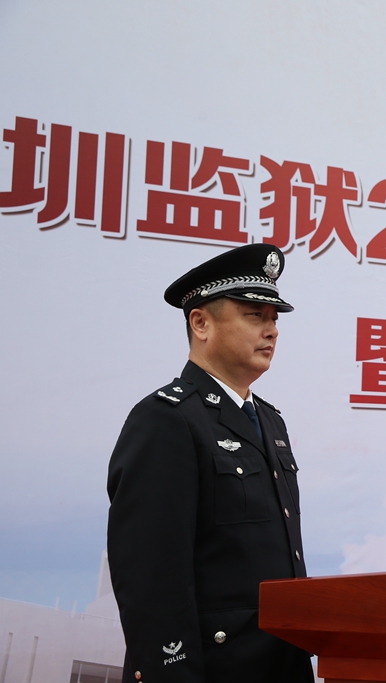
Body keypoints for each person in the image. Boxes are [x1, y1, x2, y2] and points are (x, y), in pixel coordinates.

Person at [106, 244, 314, 683]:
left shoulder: (270, 421)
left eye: (275, 319)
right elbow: (150, 575)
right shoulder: (166, 419)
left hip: (281, 664)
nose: (271, 330)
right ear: (201, 323)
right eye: (254, 315)